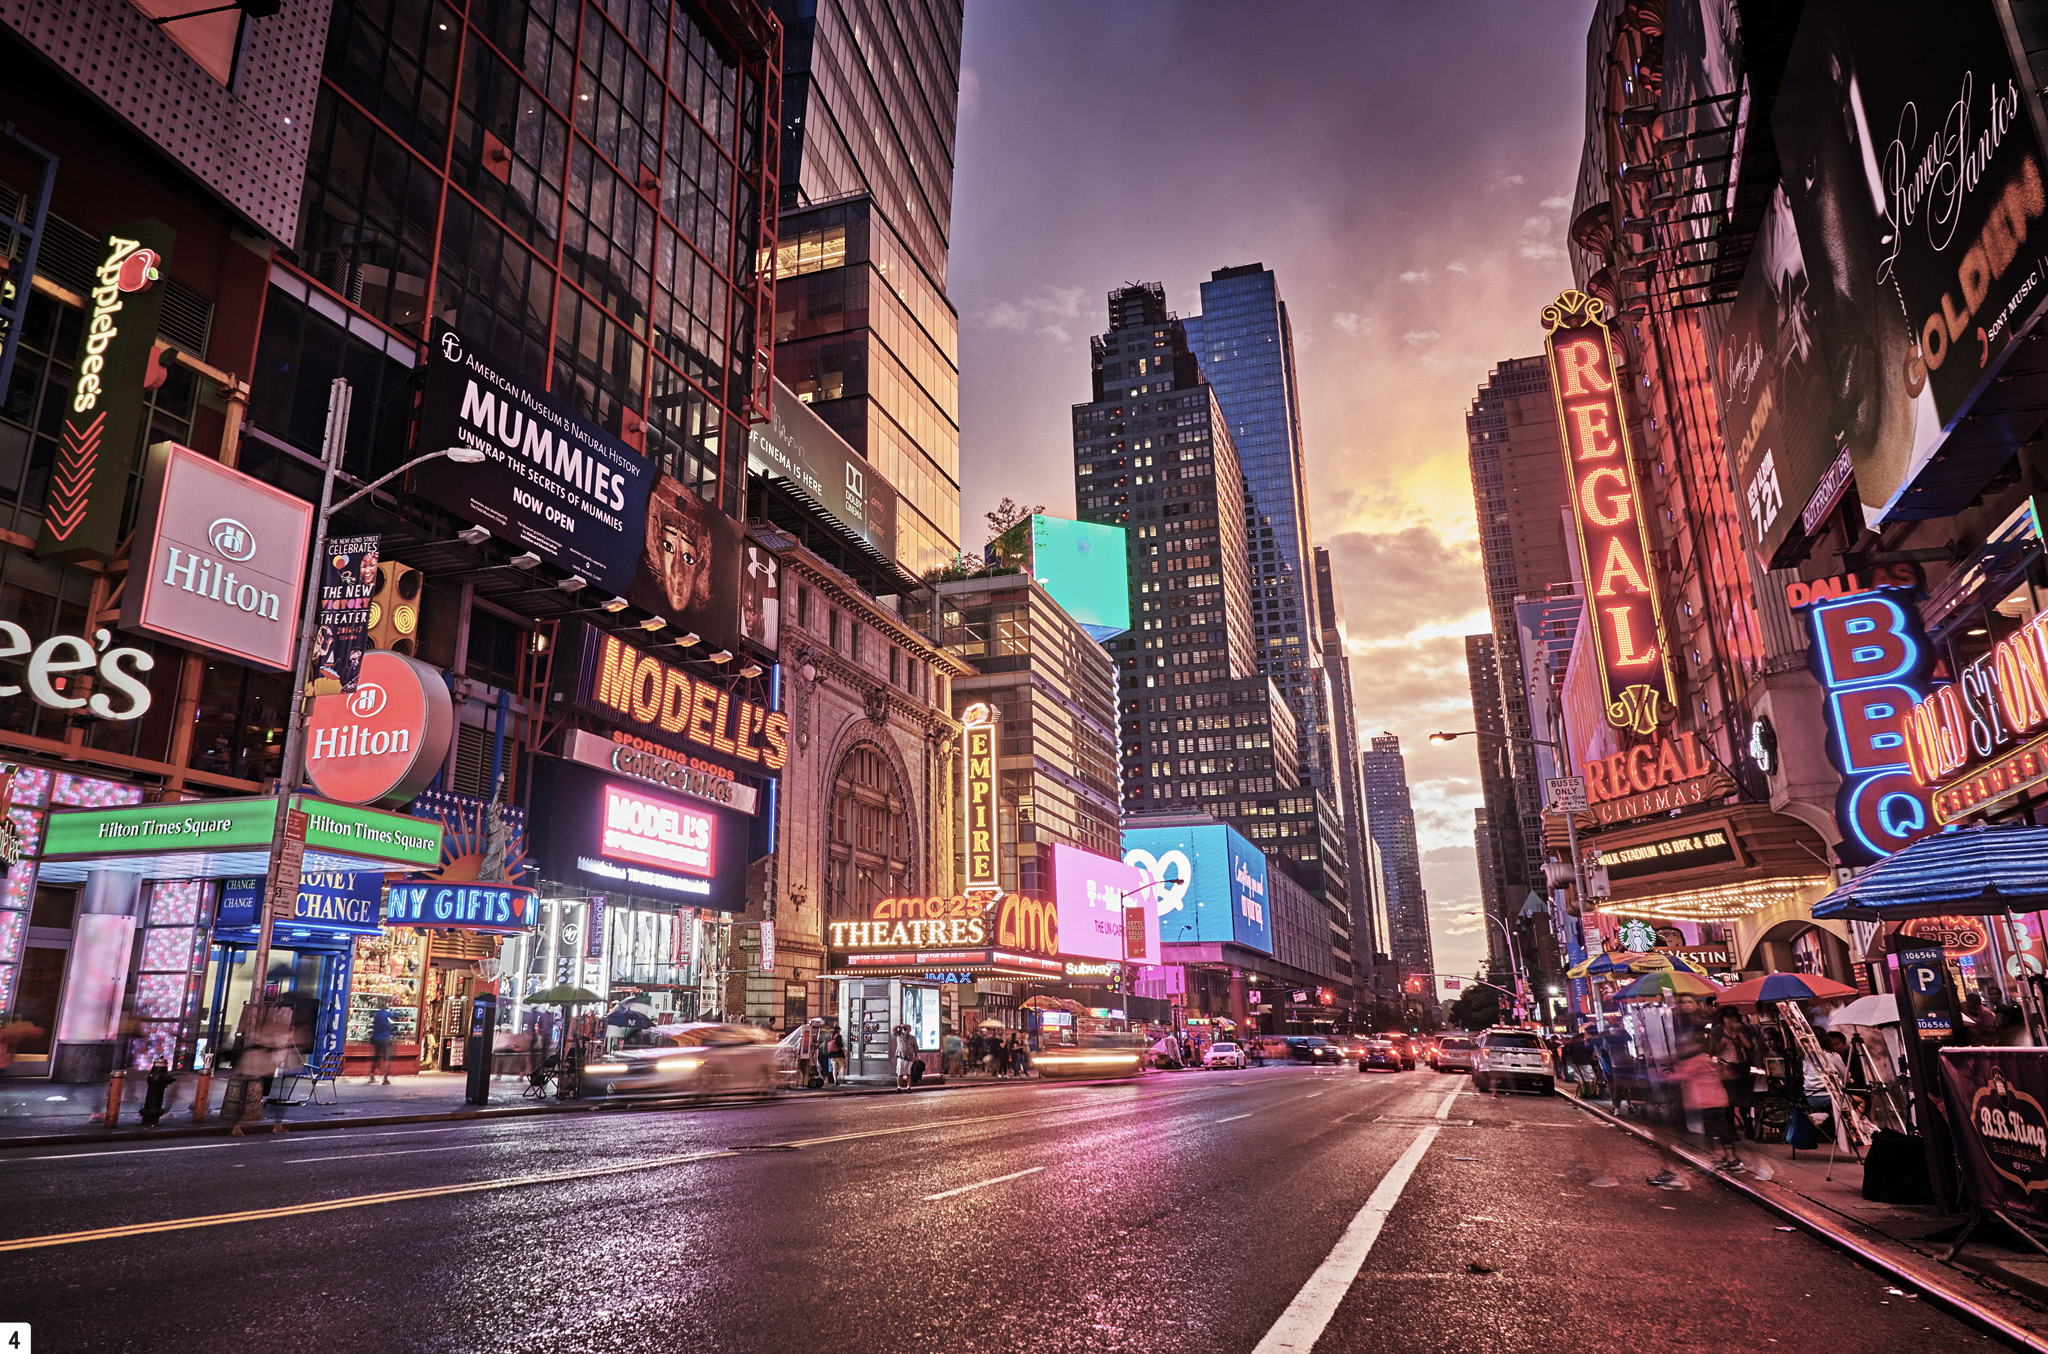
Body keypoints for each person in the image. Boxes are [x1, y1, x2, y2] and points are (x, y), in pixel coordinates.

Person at [1711, 1010, 1757, 1140]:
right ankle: (1732, 1130)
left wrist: (1740, 1034)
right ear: (1723, 1019)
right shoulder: (1717, 1031)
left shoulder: (1744, 1030)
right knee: (1730, 1100)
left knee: (1745, 1100)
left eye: (1734, 1018)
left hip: (1743, 1067)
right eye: (1729, 1018)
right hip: (1726, 1068)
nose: (1732, 1021)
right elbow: (1713, 1051)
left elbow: (1750, 1047)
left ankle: (1748, 1128)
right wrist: (1723, 1041)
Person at [368, 1001, 396, 1085]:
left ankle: (372, 1075)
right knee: (387, 1058)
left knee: (376, 1057)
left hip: (376, 1038)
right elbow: (393, 1021)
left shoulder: (376, 1014)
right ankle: (385, 1078)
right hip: (385, 1038)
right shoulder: (387, 1014)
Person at [893, 1024, 918, 1091]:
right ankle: (899, 1087)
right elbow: (894, 1029)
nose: (908, 1029)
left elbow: (915, 1047)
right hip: (901, 1056)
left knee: (909, 1073)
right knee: (900, 1073)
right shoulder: (899, 1035)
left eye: (909, 1028)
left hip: (909, 1057)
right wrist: (899, 1026)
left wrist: (916, 1055)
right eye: (907, 1028)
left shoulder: (912, 1038)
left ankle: (908, 1087)